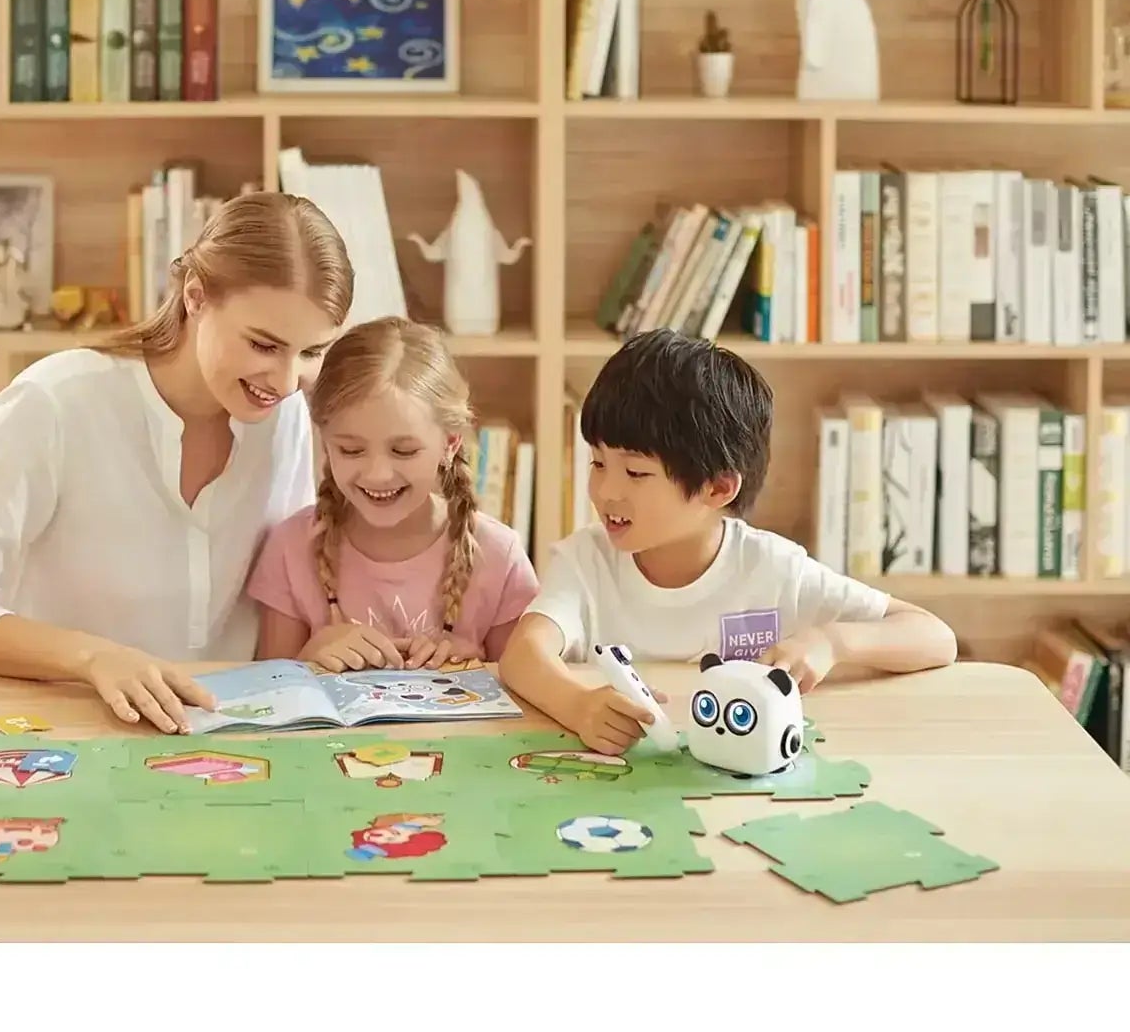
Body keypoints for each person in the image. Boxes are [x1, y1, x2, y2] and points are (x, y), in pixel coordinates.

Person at [0, 191, 353, 735]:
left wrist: (320, 642)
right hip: (59, 736)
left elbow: (283, 590)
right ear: (196, 297)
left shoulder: (285, 414)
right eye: (264, 345)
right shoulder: (56, 402)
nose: (286, 379)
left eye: (312, 352)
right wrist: (92, 658)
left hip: (227, 742)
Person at [499, 329, 958, 755]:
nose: (606, 492)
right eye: (598, 463)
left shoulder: (772, 568)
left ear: (717, 489)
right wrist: (578, 705)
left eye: (636, 473)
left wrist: (833, 642)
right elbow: (523, 655)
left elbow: (935, 637)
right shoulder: (585, 562)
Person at [248, 316, 539, 672]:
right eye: (352, 450)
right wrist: (308, 660)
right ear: (325, 443)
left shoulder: (499, 556)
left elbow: (526, 693)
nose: (378, 474)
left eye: (403, 451)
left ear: (450, 444)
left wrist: (479, 669)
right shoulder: (292, 548)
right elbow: (267, 695)